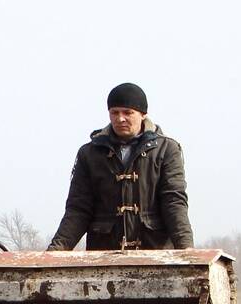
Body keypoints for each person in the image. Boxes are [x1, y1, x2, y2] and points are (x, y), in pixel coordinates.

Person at [47, 83, 194, 251]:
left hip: (154, 251)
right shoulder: (90, 153)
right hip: (103, 254)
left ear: (143, 114)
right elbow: (78, 209)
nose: (120, 118)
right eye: (114, 112)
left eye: (127, 112)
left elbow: (173, 202)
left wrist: (186, 249)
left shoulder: (167, 150)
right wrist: (55, 251)